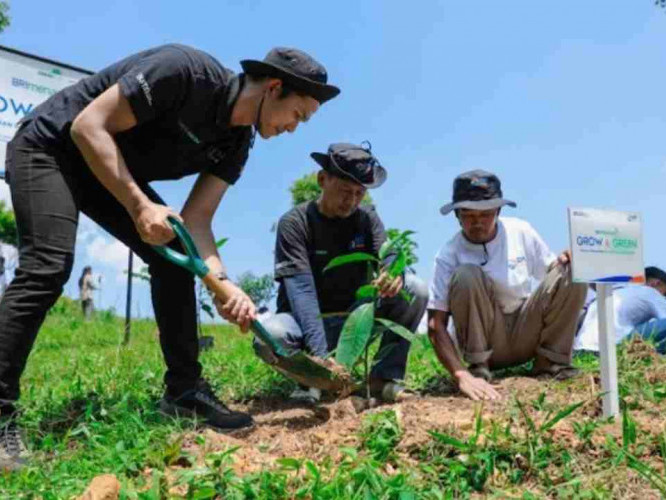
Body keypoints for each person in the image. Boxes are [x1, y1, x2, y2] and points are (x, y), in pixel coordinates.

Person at [0, 44, 340, 470]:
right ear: (274, 88)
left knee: (173, 253)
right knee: (48, 265)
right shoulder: (183, 73)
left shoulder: (236, 143)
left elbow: (196, 222)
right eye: (298, 115)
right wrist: (140, 206)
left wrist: (223, 285)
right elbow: (88, 127)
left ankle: (183, 394)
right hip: (50, 147)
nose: (294, 127)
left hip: (101, 172)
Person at [256, 143, 428, 404]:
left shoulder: (367, 218)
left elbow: (388, 252)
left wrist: (394, 272)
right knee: (270, 335)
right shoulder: (294, 223)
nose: (352, 201)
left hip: (354, 322)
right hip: (305, 326)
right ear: (322, 180)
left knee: (414, 289)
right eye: (345, 191)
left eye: (360, 193)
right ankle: (311, 381)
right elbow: (301, 291)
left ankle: (383, 379)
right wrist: (320, 356)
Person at [427, 170, 587, 401]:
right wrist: (461, 375)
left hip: (526, 331)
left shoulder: (521, 231)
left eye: (485, 214)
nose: (477, 223)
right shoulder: (448, 255)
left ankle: (551, 363)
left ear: (498, 211)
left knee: (572, 269)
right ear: (457, 216)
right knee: (466, 275)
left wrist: (568, 260)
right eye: (468, 215)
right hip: (485, 341)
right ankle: (479, 368)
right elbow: (435, 324)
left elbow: (553, 275)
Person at [574, 266, 666, 353]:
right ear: (656, 283)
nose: (665, 298)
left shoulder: (616, 290)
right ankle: (648, 358)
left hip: (582, 349)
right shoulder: (652, 292)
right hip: (611, 347)